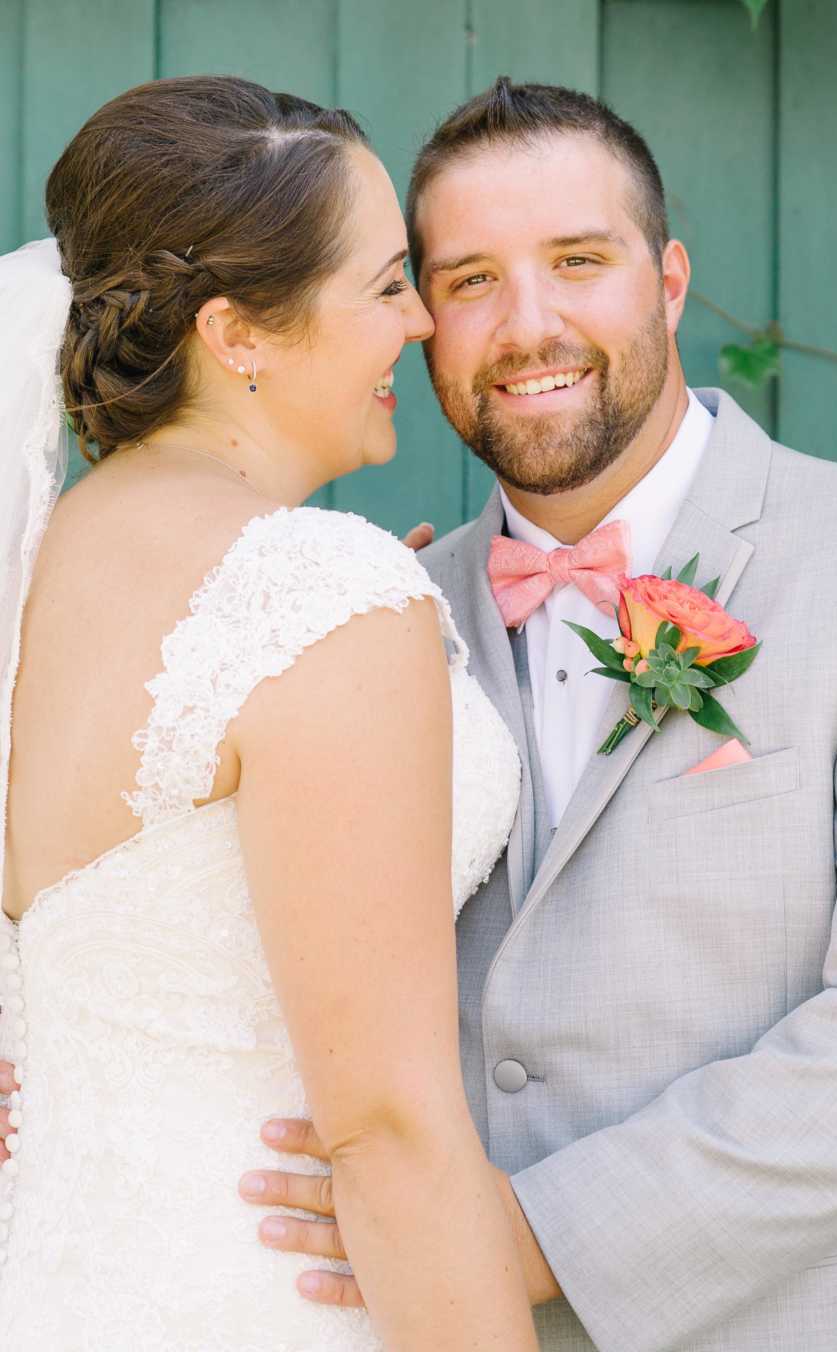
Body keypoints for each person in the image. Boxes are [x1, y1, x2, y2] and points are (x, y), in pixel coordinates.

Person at [235, 80, 837, 1351]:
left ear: (670, 281)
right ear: (419, 322)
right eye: (471, 279)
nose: (527, 326)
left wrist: (525, 1232)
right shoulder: (378, 615)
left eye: (579, 261)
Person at [0, 76, 539, 1351]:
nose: (419, 323)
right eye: (385, 283)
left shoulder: (49, 561)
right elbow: (389, 1131)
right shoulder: (319, 596)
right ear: (237, 333)